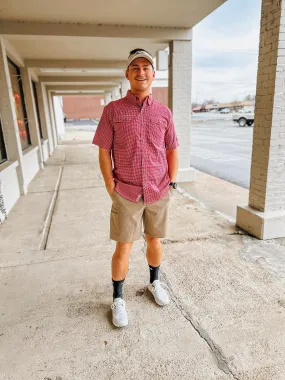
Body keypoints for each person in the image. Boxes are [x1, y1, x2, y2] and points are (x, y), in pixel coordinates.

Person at [92, 48, 179, 328]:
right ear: (127, 74)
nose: (141, 72)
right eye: (135, 67)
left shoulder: (164, 113)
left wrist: (172, 182)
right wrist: (110, 184)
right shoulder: (113, 111)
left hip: (157, 190)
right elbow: (104, 150)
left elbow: (172, 148)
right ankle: (118, 299)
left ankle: (155, 282)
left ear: (153, 75)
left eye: (146, 67)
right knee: (124, 248)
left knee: (154, 241)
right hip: (127, 191)